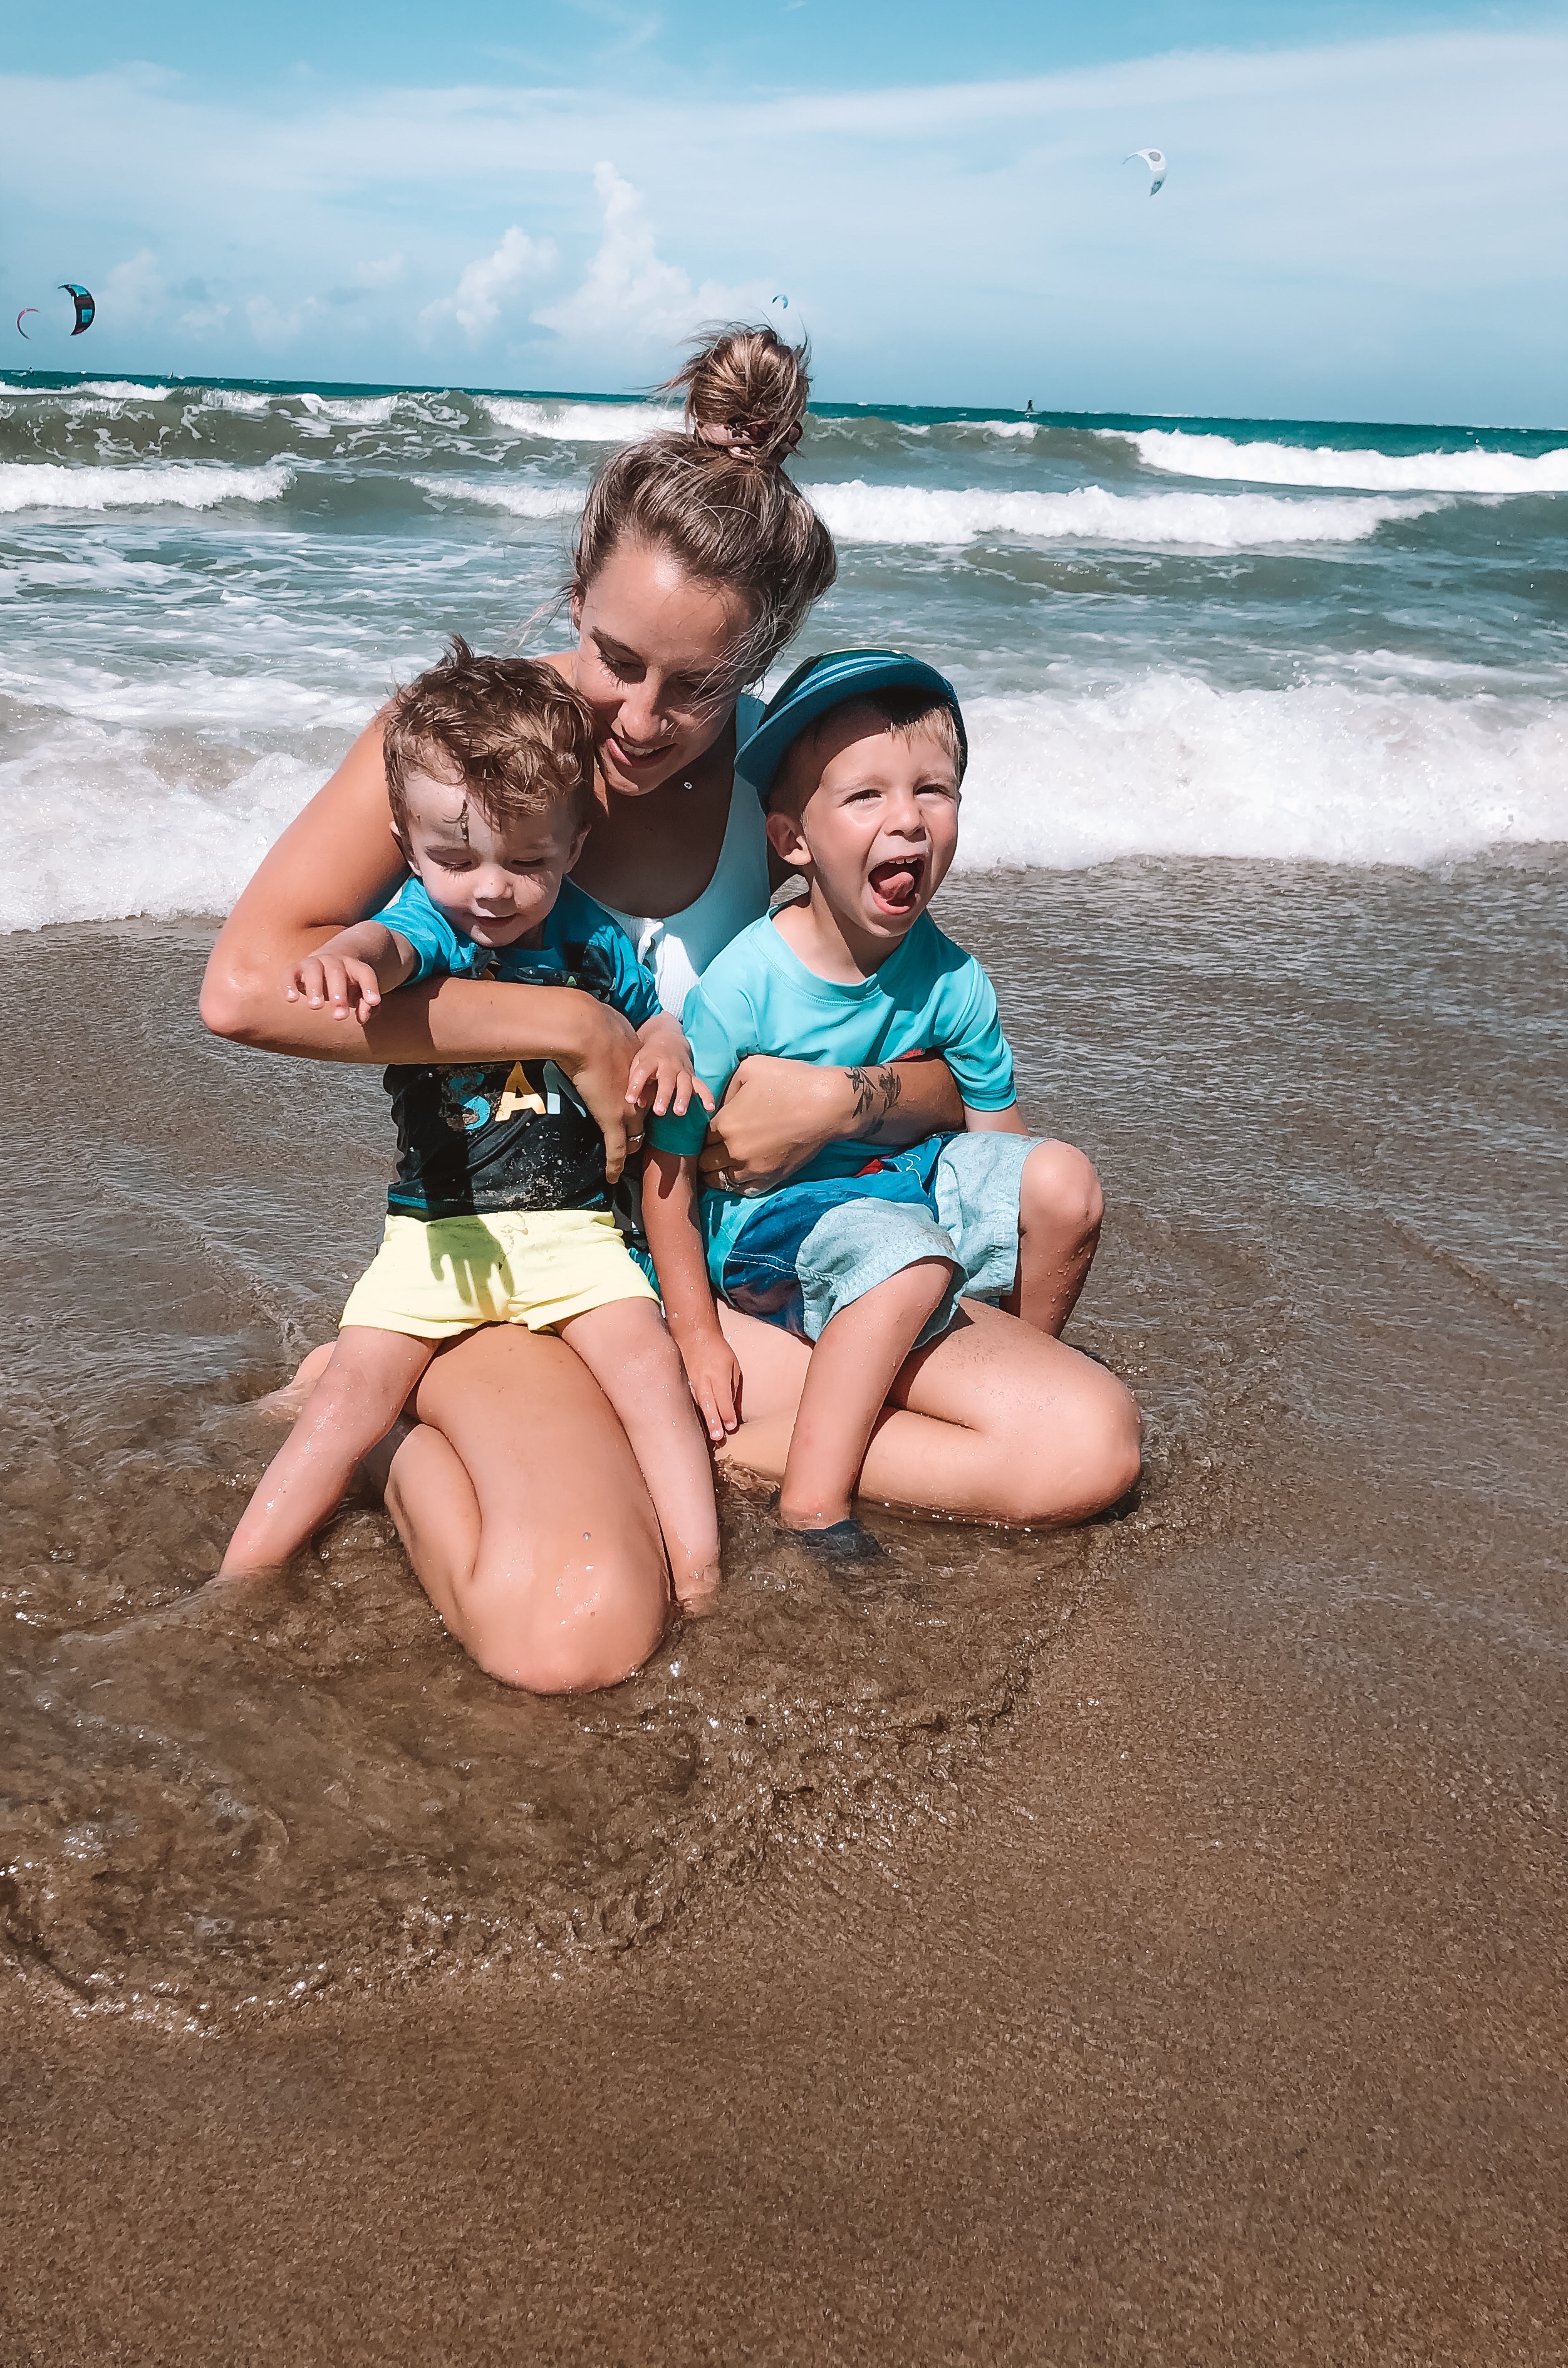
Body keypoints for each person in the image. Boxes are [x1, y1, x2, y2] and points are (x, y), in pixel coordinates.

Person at [200, 323, 1139, 1694]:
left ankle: (649, 1453)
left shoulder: (777, 781)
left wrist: (841, 1098)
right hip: (512, 1258)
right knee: (577, 1631)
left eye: (696, 686)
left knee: (1083, 1447)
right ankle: (390, 1419)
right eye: (615, 657)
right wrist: (571, 1029)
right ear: (575, 589)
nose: (638, 719)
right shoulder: (464, 745)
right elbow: (243, 989)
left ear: (757, 660)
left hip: (718, 1271)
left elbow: (941, 1052)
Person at [217, 642, 720, 1610]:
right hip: (438, 1233)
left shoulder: (590, 935)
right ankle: (242, 1577)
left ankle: (701, 1580)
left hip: (576, 1230)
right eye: (455, 858)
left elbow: (649, 1014)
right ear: (407, 844)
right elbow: (392, 945)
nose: (492, 888)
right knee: (350, 1398)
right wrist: (348, 956)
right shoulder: (431, 922)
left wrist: (665, 1044)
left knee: (652, 1373)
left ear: (575, 845)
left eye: (529, 861)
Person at [641, 650, 1102, 1562]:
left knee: (1062, 1182)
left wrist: (1017, 1211)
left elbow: (999, 1151)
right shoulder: (744, 986)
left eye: (934, 790)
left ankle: (1008, 1365)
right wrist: (695, 1333)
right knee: (900, 1256)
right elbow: (672, 1169)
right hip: (772, 1226)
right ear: (793, 841)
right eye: (865, 797)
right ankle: (812, 1503)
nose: (908, 820)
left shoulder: (955, 979)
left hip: (901, 1189)